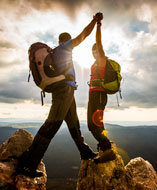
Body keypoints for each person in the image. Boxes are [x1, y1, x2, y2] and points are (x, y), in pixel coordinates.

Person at [16, 13, 103, 178]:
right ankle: (27, 165)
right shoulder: (65, 48)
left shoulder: (56, 52)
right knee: (51, 126)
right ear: (66, 41)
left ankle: (85, 152)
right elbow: (83, 35)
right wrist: (95, 21)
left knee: (74, 125)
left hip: (68, 92)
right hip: (63, 92)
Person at [87, 17, 116, 163]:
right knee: (98, 123)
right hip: (95, 95)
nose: (95, 53)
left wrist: (98, 24)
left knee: (92, 125)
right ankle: (104, 146)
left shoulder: (102, 60)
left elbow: (99, 42)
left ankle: (107, 150)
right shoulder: (95, 64)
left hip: (98, 94)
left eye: (96, 51)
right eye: (93, 51)